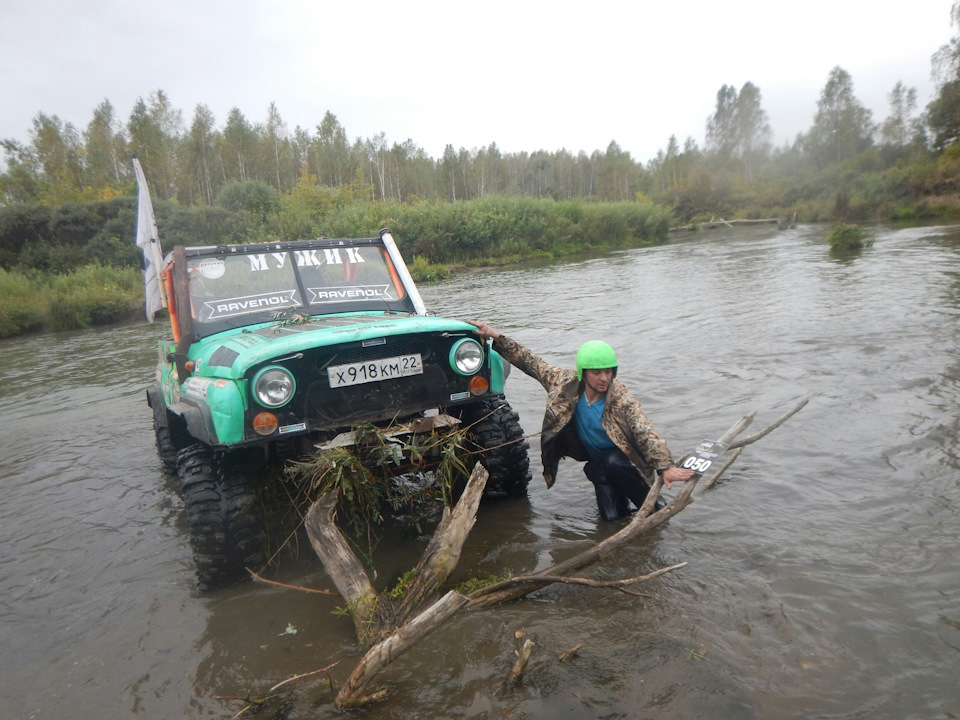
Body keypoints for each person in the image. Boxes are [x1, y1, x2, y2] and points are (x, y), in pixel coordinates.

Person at [468, 321, 694, 521]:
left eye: (608, 372)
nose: (604, 378)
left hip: (623, 461)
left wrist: (665, 466)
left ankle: (657, 507)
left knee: (638, 493)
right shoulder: (563, 384)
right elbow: (530, 362)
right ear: (583, 373)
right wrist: (497, 337)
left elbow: (645, 431)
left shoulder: (620, 398)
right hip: (598, 465)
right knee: (611, 519)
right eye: (597, 372)